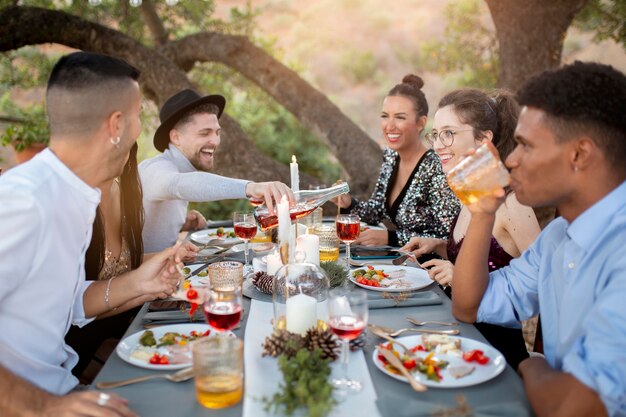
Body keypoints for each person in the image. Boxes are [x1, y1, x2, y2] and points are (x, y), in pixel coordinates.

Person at [0, 51, 181, 416]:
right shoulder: (23, 200)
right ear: (115, 125)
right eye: (137, 118)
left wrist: (142, 283)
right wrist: (47, 406)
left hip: (68, 390)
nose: (138, 132)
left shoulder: (73, 194)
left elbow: (65, 303)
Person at [452, 61, 626, 416]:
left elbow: (573, 406)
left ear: (579, 154)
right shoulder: (559, 237)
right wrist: (483, 212)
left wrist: (530, 365)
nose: (511, 160)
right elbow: (467, 305)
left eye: (525, 145)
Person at [401, 88, 540, 368]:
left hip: (494, 350)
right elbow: (486, 250)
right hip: (458, 333)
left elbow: (545, 282)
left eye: (449, 133)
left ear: (483, 139)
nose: (438, 144)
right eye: (436, 134)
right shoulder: (472, 195)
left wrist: (462, 279)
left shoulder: (514, 204)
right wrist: (439, 245)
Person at [139, 89, 294, 253]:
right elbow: (178, 185)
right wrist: (251, 187)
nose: (215, 141)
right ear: (176, 137)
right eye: (204, 133)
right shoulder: (155, 169)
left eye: (217, 132)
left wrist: (179, 223)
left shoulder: (178, 168)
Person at [335, 74, 461, 247]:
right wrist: (349, 203)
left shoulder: (436, 167)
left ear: (420, 123)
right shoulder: (391, 157)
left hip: (431, 269)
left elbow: (447, 236)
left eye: (400, 117)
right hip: (399, 263)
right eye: (385, 116)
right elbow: (376, 210)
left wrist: (391, 238)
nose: (389, 125)